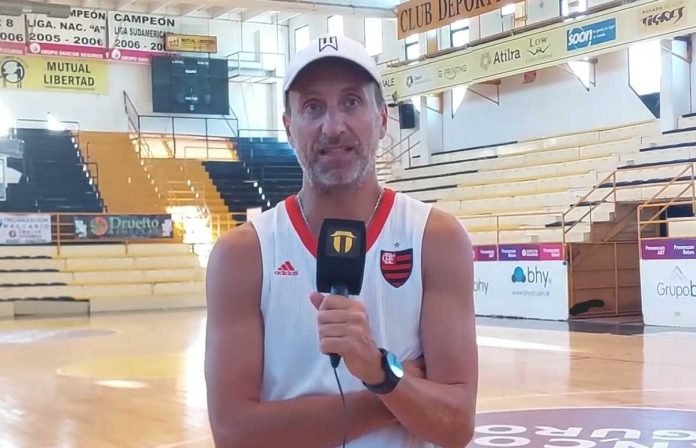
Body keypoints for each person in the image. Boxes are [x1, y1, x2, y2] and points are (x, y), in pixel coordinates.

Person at [204, 35, 478, 448]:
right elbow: (234, 434)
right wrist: (390, 384)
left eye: (351, 102)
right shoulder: (243, 256)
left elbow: (455, 425)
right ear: (288, 127)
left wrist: (376, 368)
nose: (333, 127)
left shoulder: (435, 239)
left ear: (382, 119)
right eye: (313, 107)